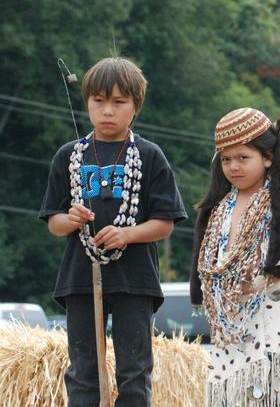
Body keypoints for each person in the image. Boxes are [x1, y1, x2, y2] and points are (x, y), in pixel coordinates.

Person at [39, 57, 187, 406]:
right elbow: (54, 224)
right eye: (99, 101)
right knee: (83, 370)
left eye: (119, 102)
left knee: (134, 370)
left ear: (135, 106)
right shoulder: (68, 156)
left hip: (134, 278)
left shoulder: (150, 155)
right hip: (80, 276)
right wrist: (72, 219)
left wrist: (127, 234)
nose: (108, 111)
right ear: (87, 102)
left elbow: (164, 223)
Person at [190, 108, 280, 407]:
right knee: (231, 395)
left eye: (243, 157)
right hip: (228, 323)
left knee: (268, 391)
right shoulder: (219, 208)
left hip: (266, 314)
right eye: (226, 159)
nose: (233, 166)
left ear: (268, 157)